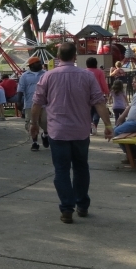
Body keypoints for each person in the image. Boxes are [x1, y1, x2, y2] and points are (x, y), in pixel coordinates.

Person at [30, 41, 112, 224]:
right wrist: (107, 124)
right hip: (81, 131)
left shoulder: (47, 77)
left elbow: (37, 103)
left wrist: (34, 124)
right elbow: (99, 102)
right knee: (81, 168)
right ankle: (82, 204)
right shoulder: (87, 76)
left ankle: (67, 208)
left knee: (61, 170)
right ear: (75, 57)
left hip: (57, 131)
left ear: (58, 57)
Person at [17, 57, 48, 151]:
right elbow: (20, 90)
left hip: (45, 104)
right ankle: (35, 143)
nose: (40, 64)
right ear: (31, 65)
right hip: (30, 104)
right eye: (37, 63)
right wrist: (19, 102)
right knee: (32, 124)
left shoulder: (46, 74)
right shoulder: (24, 76)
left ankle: (45, 134)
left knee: (46, 121)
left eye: (40, 62)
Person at [84, 57, 110, 134]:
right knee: (97, 112)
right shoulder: (100, 72)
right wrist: (106, 92)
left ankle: (90, 125)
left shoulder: (84, 72)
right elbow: (103, 83)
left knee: (89, 112)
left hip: (87, 95)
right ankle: (95, 124)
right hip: (98, 94)